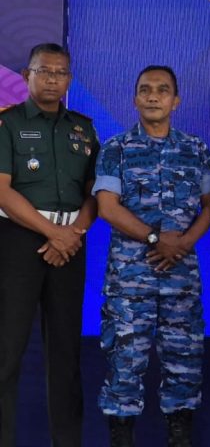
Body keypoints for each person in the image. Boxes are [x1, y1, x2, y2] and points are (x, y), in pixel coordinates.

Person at [93, 66, 210, 447]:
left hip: (181, 281)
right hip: (130, 283)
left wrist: (182, 243)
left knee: (184, 369)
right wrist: (154, 238)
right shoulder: (116, 148)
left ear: (175, 101)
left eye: (162, 90)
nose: (153, 96)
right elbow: (107, 208)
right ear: (134, 99)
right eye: (145, 89)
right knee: (124, 369)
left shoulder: (196, 149)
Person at [0, 43, 99, 447]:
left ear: (69, 80)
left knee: (66, 354)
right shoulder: (6, 124)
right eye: (45, 71)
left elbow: (96, 193)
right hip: (19, 242)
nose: (53, 80)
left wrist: (72, 234)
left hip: (70, 246)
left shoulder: (84, 128)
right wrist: (51, 232)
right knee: (7, 351)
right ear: (27, 76)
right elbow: (2, 191)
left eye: (60, 73)